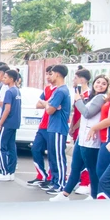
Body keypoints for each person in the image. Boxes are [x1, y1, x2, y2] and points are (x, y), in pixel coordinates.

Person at [52, 74, 108, 201]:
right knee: (75, 167)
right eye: (98, 82)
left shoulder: (101, 97)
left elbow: (87, 113)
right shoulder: (92, 97)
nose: (99, 85)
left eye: (103, 83)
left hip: (91, 139)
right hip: (82, 137)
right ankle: (65, 194)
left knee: (92, 169)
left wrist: (78, 101)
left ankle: (94, 195)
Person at [42, 65, 72, 194]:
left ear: (58, 74)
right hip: (53, 127)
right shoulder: (57, 90)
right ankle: (55, 181)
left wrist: (46, 103)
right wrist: (48, 103)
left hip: (59, 128)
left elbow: (49, 109)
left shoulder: (61, 91)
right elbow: (51, 106)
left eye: (52, 73)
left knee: (58, 156)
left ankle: (60, 184)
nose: (50, 76)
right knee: (52, 156)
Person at [0, 70, 22, 182]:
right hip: (14, 123)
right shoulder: (17, 91)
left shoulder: (9, 92)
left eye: (5, 77)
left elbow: (7, 109)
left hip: (7, 123)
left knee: (0, 147)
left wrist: (0, 123)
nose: (3, 79)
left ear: (11, 79)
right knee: (11, 147)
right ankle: (10, 172)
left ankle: (4, 171)